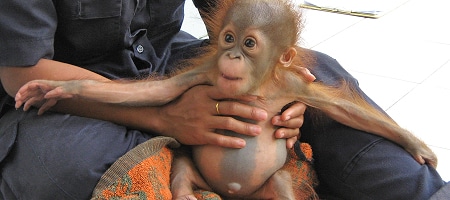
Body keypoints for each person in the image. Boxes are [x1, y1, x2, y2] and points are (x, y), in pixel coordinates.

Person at [0, 0, 446, 200]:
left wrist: (279, 88)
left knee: (322, 74)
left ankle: (417, 191)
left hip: (164, 60)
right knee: (68, 165)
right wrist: (168, 118)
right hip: (63, 94)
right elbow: (22, 70)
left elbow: (252, 16)